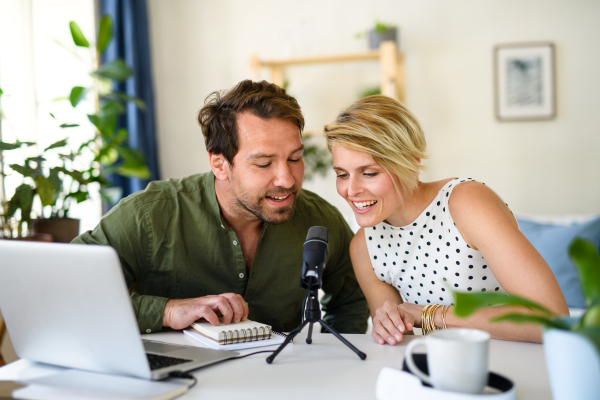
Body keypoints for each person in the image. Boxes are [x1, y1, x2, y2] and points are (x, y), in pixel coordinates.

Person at [73, 80, 369, 335]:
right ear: (219, 164)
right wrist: (168, 311)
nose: (287, 179)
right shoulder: (149, 215)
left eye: (294, 158)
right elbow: (70, 289)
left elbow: (350, 302)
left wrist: (324, 359)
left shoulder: (320, 221)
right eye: (264, 163)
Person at [323, 95, 568, 344]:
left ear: (411, 164)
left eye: (369, 173)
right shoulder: (364, 247)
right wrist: (387, 327)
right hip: (438, 373)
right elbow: (399, 343)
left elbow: (553, 319)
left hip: (515, 364)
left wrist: (431, 315)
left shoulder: (466, 203)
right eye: (342, 174)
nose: (350, 190)